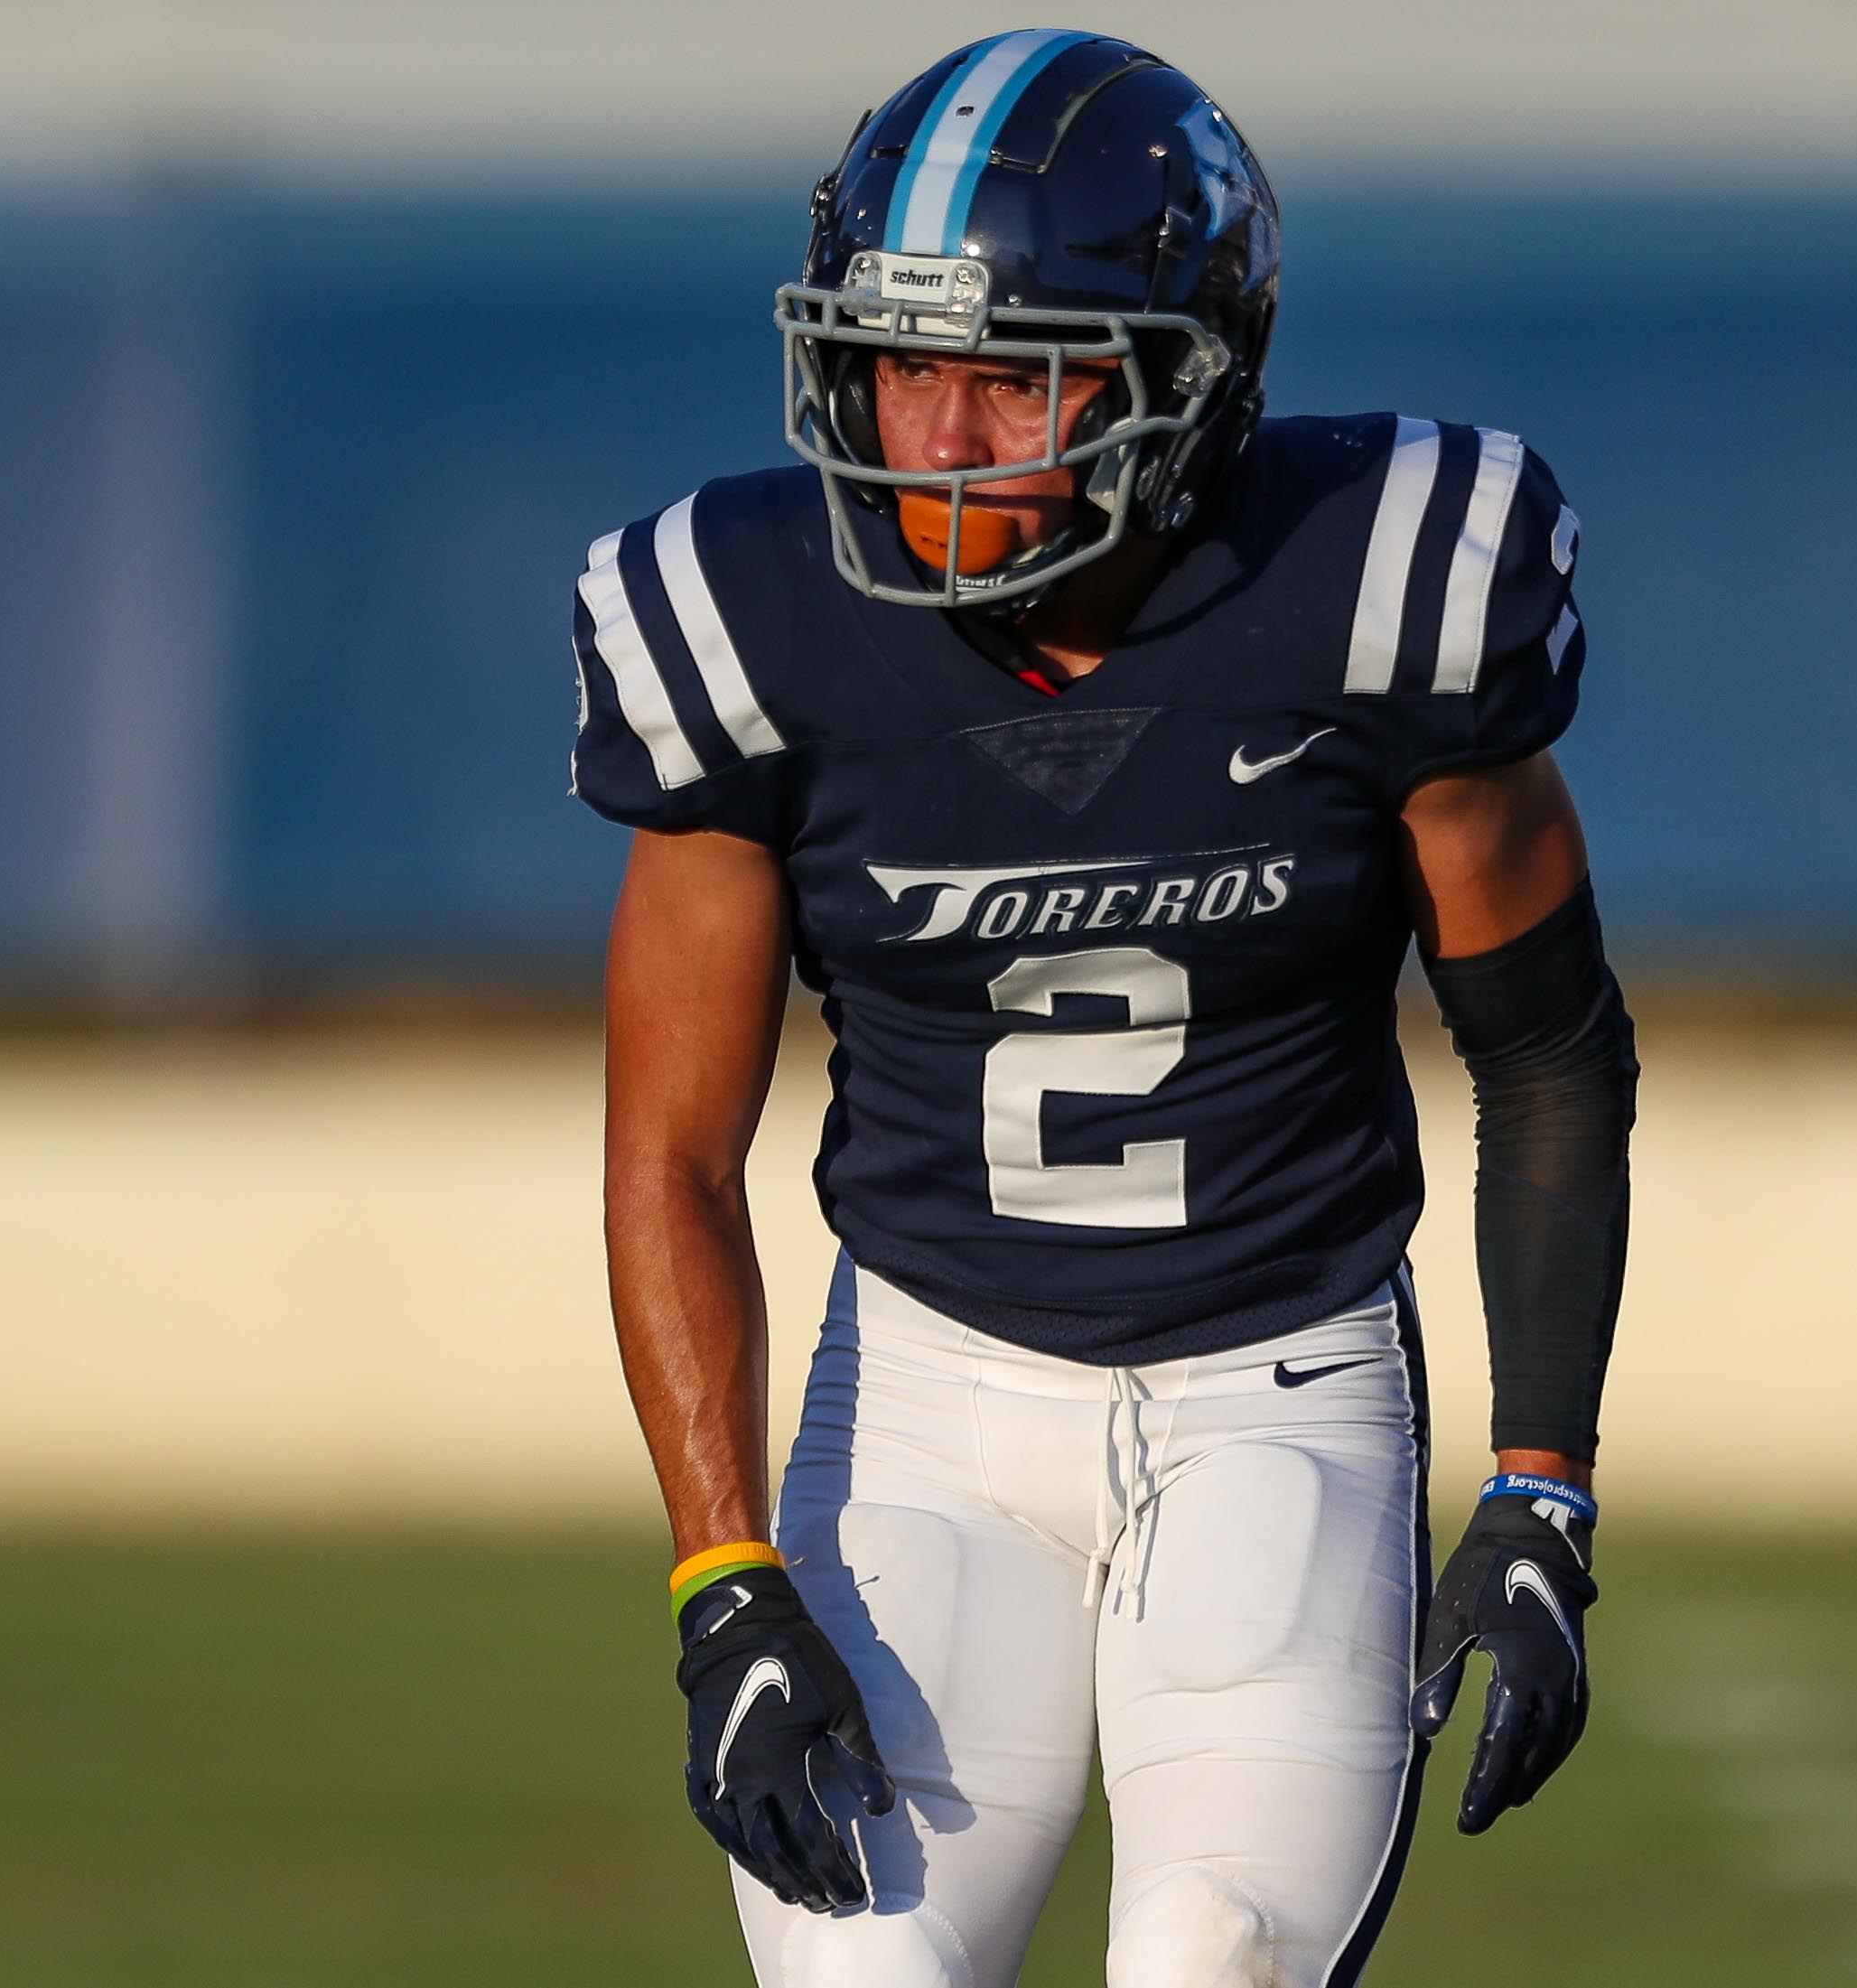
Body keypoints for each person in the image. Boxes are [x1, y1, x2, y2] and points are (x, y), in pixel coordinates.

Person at [570, 30, 1636, 1988]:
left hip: (1279, 1394)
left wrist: (1542, 1485)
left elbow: (1549, 1051)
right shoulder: (750, 625)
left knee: (1214, 1957)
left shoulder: (1375, 586)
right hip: (922, 1411)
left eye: (1012, 377)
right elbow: (671, 1154)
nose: (935, 437)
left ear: (1187, 378)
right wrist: (722, 1580)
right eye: (898, 365)